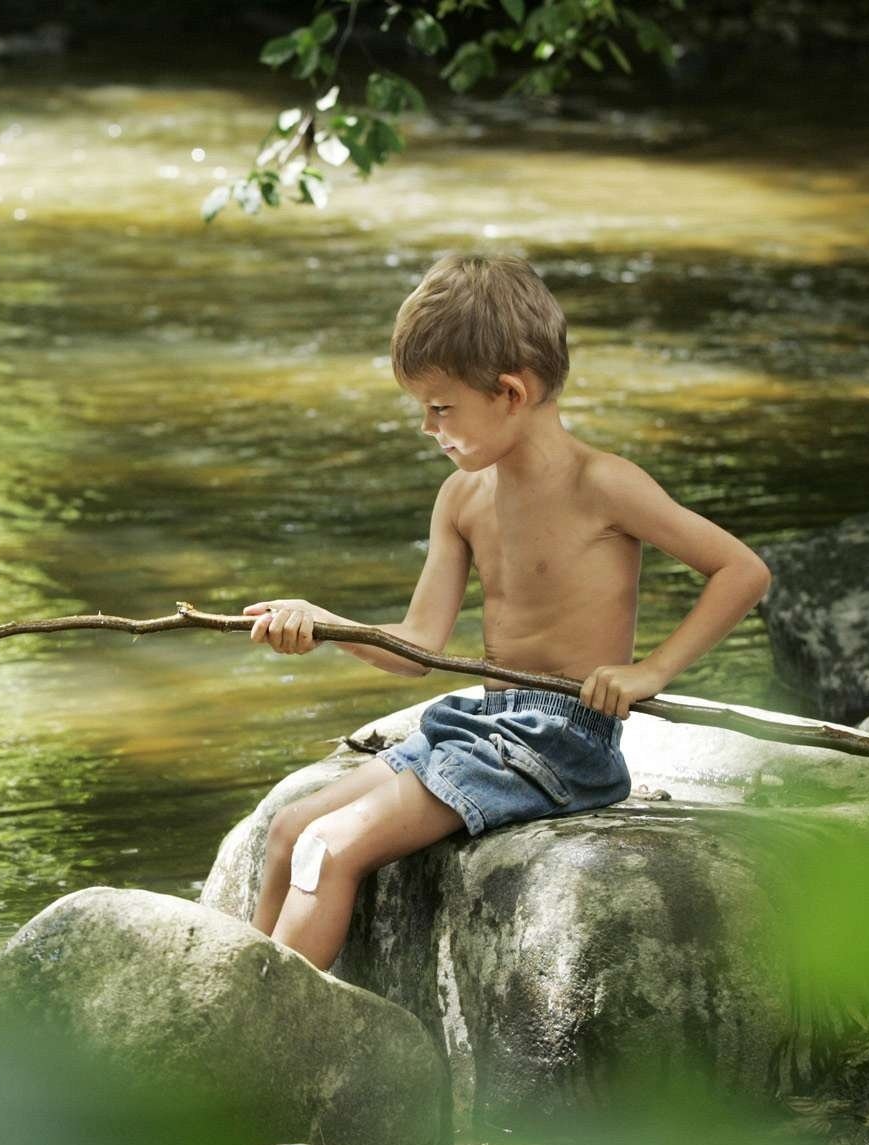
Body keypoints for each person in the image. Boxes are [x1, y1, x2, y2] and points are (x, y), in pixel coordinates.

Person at [242, 253, 771, 972]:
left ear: (510, 392)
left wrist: (651, 670)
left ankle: (270, 1042)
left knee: (329, 848)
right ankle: (231, 1003)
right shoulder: (463, 499)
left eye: (440, 407)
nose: (429, 429)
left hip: (559, 741)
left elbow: (742, 570)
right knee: (290, 830)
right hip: (483, 729)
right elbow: (416, 647)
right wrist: (323, 624)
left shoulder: (604, 485)